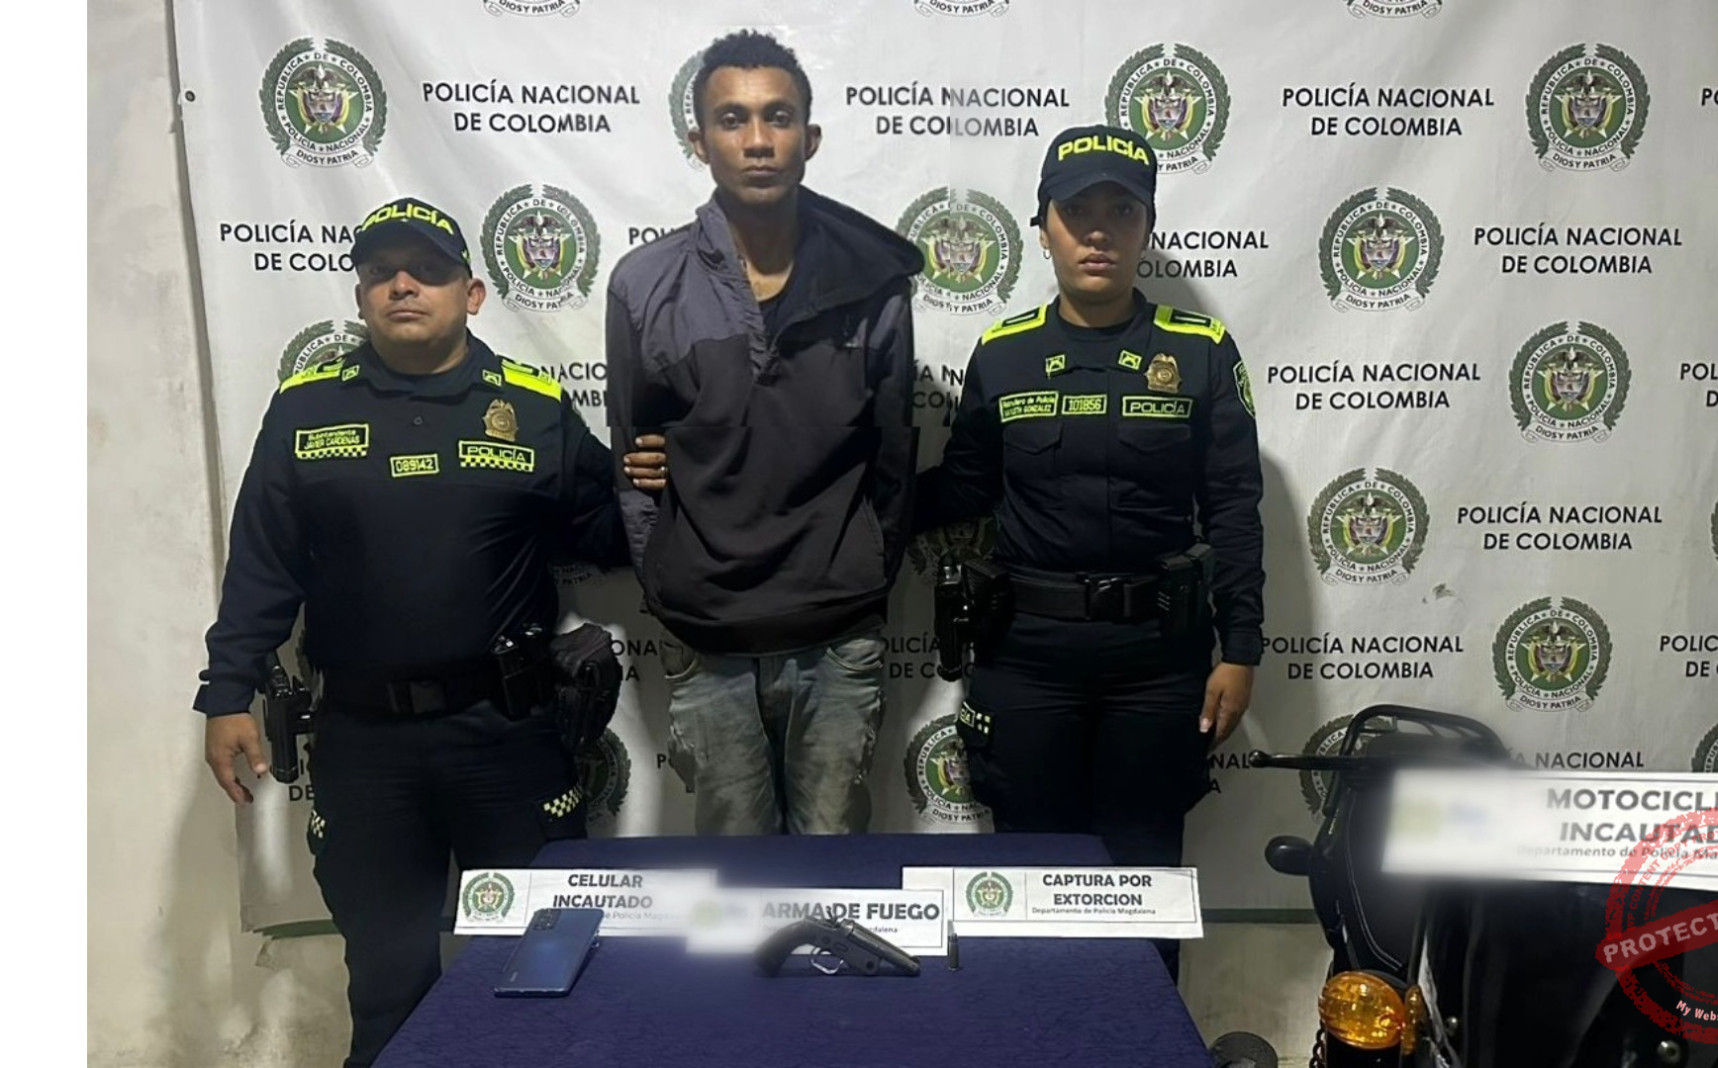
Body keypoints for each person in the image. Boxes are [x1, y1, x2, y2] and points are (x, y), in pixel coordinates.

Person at [196, 196, 628, 1068]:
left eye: (426, 271)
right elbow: (263, 563)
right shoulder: (305, 409)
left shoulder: (535, 408)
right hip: (366, 745)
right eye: (381, 273)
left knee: (544, 966)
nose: (402, 285)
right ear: (360, 296)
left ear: (471, 293)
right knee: (389, 982)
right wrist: (226, 691)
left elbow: (609, 537)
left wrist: (669, 476)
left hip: (507, 734)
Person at [923, 125, 1263, 980]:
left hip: (1157, 663)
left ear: (1148, 227)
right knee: (1028, 880)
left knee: (1144, 884)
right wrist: (828, 483)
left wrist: (1242, 649)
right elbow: (960, 490)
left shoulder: (1200, 350)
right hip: (1027, 659)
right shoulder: (1004, 352)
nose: (1099, 230)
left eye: (1122, 209)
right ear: (1043, 228)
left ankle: (1145, 1037)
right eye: (1077, 212)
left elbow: (1234, 508)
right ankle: (1031, 1035)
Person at [604, 30, 923, 836]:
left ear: (808, 139)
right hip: (706, 636)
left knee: (832, 871)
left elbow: (893, 457)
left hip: (839, 634)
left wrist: (864, 576)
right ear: (699, 142)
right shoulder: (645, 285)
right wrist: (669, 585)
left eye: (777, 117)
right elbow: (633, 463)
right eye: (733, 119)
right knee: (734, 878)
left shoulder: (875, 284)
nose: (756, 140)